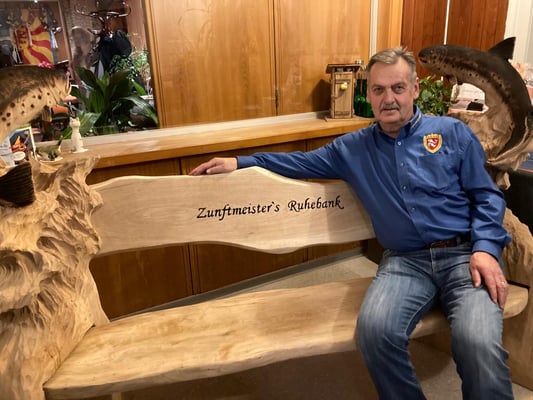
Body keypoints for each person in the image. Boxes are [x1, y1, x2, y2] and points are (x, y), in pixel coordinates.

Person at [190, 47, 513, 399]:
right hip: (405, 263)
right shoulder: (351, 149)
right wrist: (240, 162)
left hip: (463, 255)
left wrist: (485, 248)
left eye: (398, 88)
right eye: (378, 90)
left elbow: (487, 196)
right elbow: (298, 163)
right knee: (374, 333)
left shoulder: (451, 133)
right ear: (369, 95)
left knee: (477, 342)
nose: (388, 99)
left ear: (415, 89)